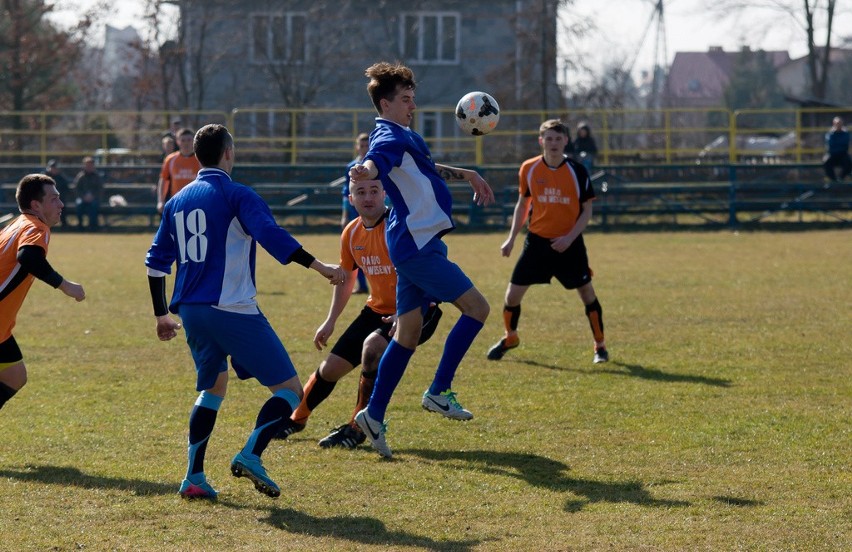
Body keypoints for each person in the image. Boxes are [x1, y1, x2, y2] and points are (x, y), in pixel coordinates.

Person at [145, 124, 345, 499]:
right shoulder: (237, 194)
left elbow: (156, 262)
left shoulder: (177, 200)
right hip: (232, 309)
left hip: (191, 311)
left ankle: (193, 478)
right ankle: (251, 454)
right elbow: (271, 235)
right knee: (289, 392)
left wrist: (160, 314)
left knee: (212, 390)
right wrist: (319, 266)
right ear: (228, 153)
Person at [349, 61, 494, 458]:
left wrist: (468, 174)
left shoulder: (404, 133)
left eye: (413, 98)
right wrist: (366, 168)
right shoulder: (387, 137)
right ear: (386, 103)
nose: (413, 105)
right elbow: (378, 159)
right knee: (477, 309)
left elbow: (425, 169)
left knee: (408, 334)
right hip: (416, 246)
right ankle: (438, 390)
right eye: (406, 99)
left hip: (414, 240)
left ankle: (373, 415)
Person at [274, 178, 443, 449]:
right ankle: (296, 418)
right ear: (350, 199)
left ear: (384, 194)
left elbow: (429, 269)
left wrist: (407, 310)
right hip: (376, 310)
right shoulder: (351, 232)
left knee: (373, 347)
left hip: (419, 308)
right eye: (360, 192)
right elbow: (347, 279)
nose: (368, 197)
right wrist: (330, 321)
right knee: (330, 369)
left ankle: (357, 428)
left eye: (374, 191)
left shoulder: (399, 226)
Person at [487, 119, 608, 365]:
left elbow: (586, 211)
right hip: (538, 242)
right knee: (512, 296)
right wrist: (511, 238)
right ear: (541, 141)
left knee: (587, 293)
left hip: (569, 243)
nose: (553, 143)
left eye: (558, 138)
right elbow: (523, 204)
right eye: (549, 139)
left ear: (565, 141)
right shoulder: (529, 168)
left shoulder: (577, 170)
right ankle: (510, 337)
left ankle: (600, 346)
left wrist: (569, 238)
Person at [0, 174, 86, 411]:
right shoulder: (36, 226)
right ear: (36, 205)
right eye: (54, 199)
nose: (61, 204)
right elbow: (27, 256)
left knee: (14, 375)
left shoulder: (18, 223)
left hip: (1, 326)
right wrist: (65, 285)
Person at [342, 133, 371, 294]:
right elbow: (346, 192)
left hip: (374, 215)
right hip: (356, 213)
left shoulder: (376, 166)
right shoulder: (350, 167)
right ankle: (361, 285)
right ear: (357, 147)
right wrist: (344, 215)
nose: (365, 149)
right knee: (356, 250)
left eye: (368, 146)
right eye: (362, 146)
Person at [156, 128, 202, 214]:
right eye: (183, 140)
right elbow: (163, 180)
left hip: (196, 203)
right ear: (177, 141)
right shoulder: (170, 159)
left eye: (189, 140)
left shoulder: (200, 159)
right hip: (177, 203)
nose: (186, 143)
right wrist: (160, 201)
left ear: (194, 141)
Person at [72, 156, 104, 231]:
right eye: (87, 165)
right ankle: (80, 226)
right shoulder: (81, 176)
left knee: (94, 205)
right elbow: (76, 188)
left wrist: (93, 196)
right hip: (82, 198)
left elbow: (100, 189)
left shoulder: (97, 176)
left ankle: (92, 226)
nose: (89, 167)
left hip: (94, 198)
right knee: (79, 205)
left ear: (93, 165)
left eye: (90, 165)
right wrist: (83, 197)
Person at [822, 117, 852, 182]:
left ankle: (841, 177)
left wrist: (838, 147)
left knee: (849, 163)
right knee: (826, 162)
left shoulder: (845, 133)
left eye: (840, 123)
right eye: (837, 123)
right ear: (834, 124)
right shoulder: (830, 134)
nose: (838, 125)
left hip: (842, 154)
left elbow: (845, 145)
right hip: (833, 154)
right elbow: (830, 145)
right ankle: (833, 180)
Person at [44, 159, 70, 228]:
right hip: (46, 199)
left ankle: (64, 225)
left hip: (59, 199)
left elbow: (66, 189)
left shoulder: (61, 177)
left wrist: (57, 196)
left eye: (55, 167)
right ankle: (46, 225)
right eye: (52, 167)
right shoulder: (44, 177)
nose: (53, 169)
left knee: (61, 205)